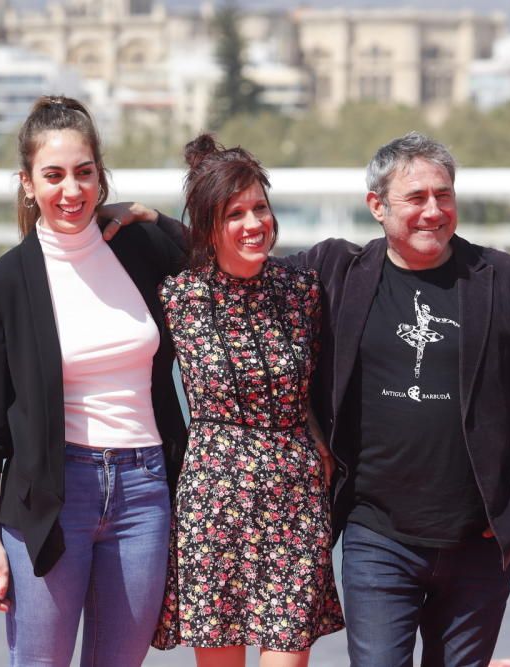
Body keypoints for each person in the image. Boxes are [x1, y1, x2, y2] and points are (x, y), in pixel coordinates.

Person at [279, 131, 510, 666]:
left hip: (480, 541)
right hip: (379, 538)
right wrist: (147, 221)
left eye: (444, 196)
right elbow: (241, 258)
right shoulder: (336, 274)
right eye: (416, 198)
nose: (433, 211)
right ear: (377, 206)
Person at [0, 95, 188, 667]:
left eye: (85, 174)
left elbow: (217, 254)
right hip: (51, 496)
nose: (71, 190)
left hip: (146, 491)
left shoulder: (138, 250)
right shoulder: (1, 285)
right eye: (54, 175)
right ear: (27, 182)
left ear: (101, 177)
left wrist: (150, 215)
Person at [151, 135, 345, 667]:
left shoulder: (301, 290)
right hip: (215, 500)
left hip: (294, 499)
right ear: (209, 226)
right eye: (235, 213)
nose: (253, 223)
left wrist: (319, 434)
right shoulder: (178, 298)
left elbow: (316, 381)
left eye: (260, 207)